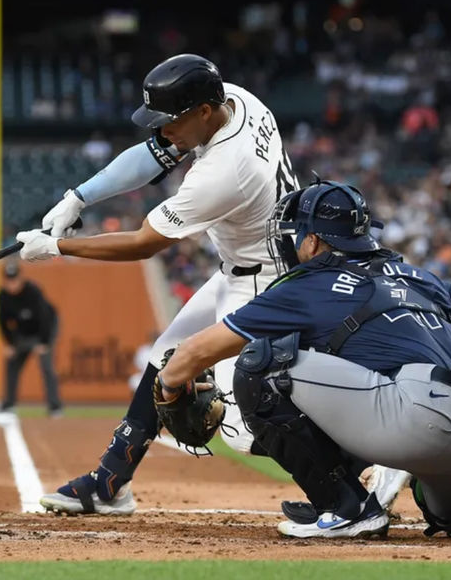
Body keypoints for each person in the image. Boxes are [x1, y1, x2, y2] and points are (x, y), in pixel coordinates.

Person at [156, 181, 451, 539]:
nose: (293, 244)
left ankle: (345, 507)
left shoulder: (308, 281)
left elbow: (198, 351)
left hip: (421, 419)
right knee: (450, 513)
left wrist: (169, 385)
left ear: (313, 240)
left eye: (296, 235)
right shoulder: (420, 276)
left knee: (261, 365)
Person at [19, 53, 301, 515]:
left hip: (266, 282)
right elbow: (153, 155)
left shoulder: (225, 170)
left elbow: (144, 243)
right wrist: (78, 197)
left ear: (203, 112)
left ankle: (363, 464)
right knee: (163, 360)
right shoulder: (234, 100)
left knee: (242, 429)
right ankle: (109, 484)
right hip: (245, 266)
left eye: (171, 120)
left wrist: (59, 249)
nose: (163, 130)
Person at [0, 261, 63, 416]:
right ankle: (8, 404)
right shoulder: (2, 295)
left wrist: (44, 342)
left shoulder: (33, 291)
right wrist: (10, 344)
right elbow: (2, 321)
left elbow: (45, 317)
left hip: (44, 330)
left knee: (47, 366)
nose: (12, 284)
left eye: (14, 279)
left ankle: (55, 406)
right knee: (12, 363)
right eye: (9, 280)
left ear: (21, 277)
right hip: (23, 332)